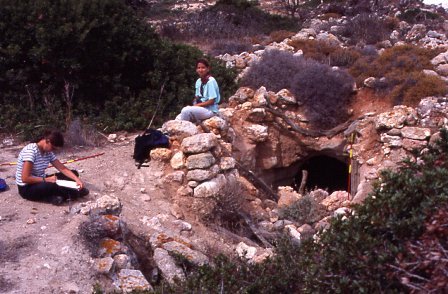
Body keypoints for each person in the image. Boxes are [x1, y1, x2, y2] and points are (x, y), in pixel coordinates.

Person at [15, 130, 89, 205]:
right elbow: (25, 178)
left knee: (74, 173)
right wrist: (46, 179)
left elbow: (62, 168)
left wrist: (77, 179)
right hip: (27, 187)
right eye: (53, 148)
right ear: (47, 141)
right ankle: (72, 194)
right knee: (51, 185)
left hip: (41, 179)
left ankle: (54, 197)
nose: (53, 150)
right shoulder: (30, 151)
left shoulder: (48, 152)